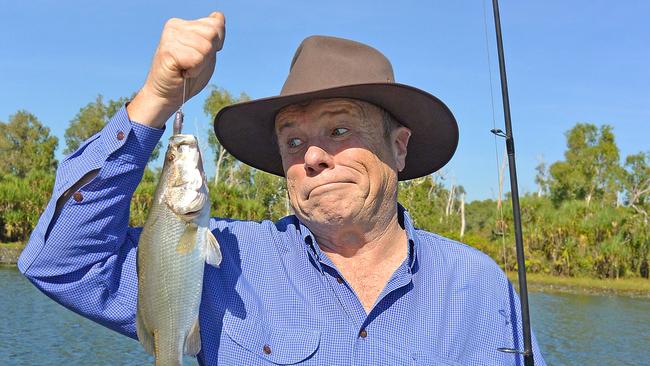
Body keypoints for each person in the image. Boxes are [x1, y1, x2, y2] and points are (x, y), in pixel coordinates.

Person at [19, 12, 546, 365]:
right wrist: (156, 97)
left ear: (400, 147)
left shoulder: (478, 286)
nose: (312, 156)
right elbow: (60, 262)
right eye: (292, 141)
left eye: (339, 131)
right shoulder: (226, 262)